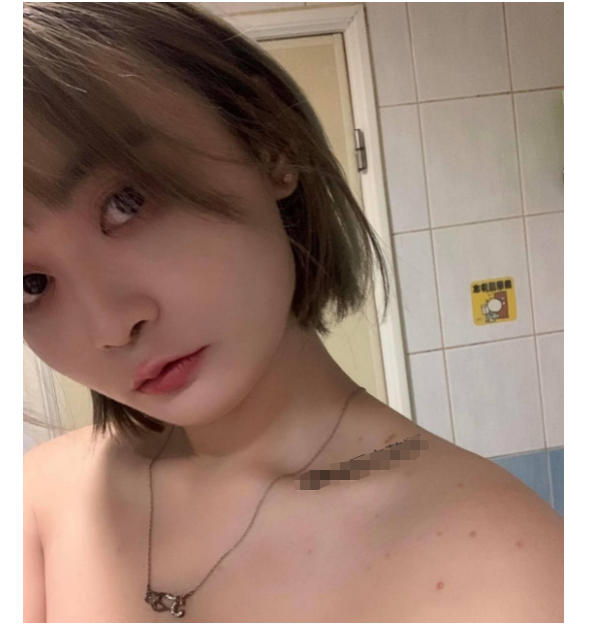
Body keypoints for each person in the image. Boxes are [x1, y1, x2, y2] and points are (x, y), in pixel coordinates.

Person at [23, 3, 563, 623]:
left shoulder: (502, 566)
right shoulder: (39, 502)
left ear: (267, 142)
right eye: (29, 284)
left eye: (126, 202)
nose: (110, 327)